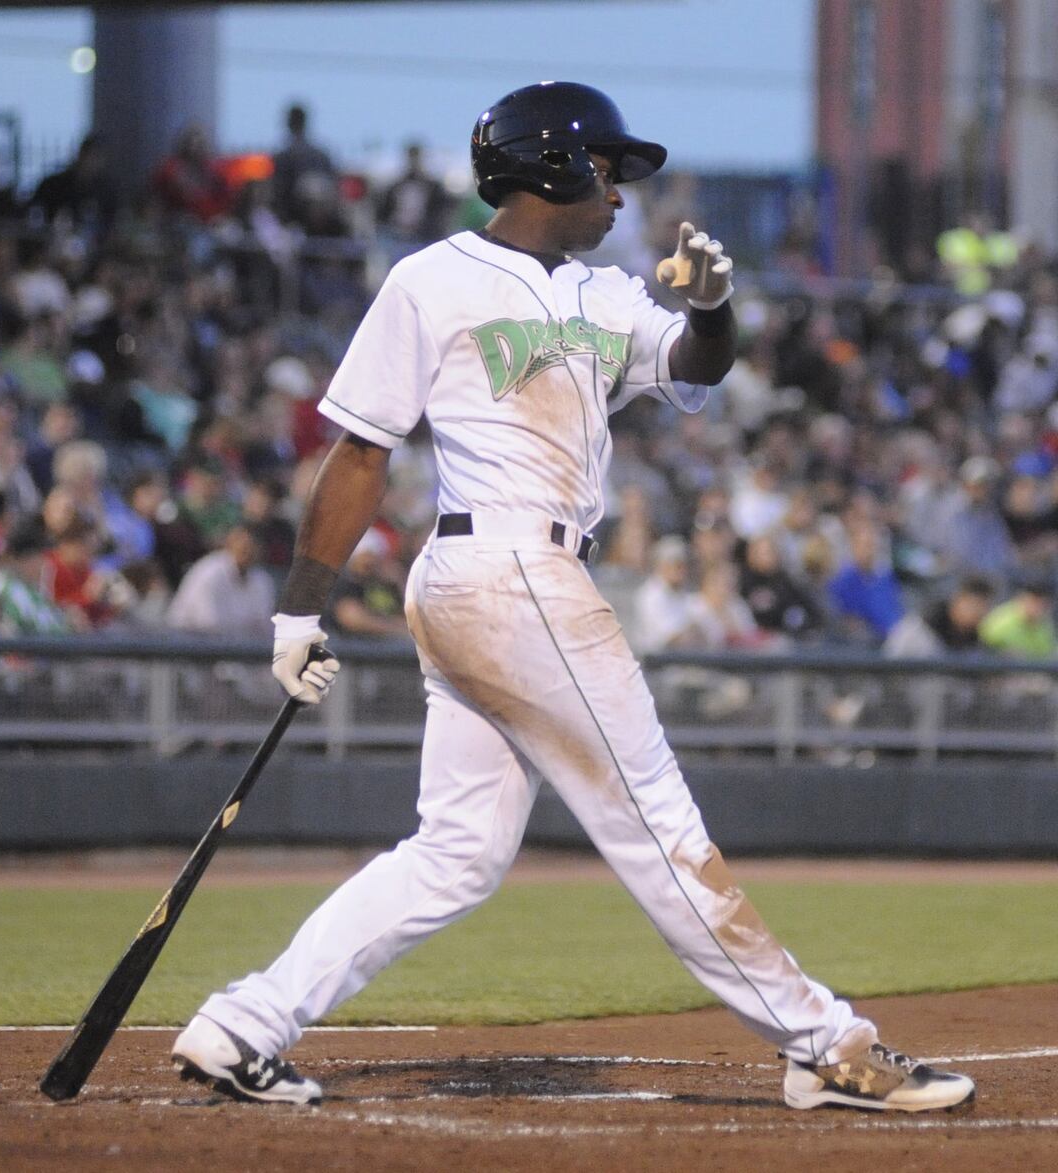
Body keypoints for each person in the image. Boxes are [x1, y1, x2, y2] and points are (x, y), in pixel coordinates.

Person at [169, 82, 973, 1114]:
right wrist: (297, 609)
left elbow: (696, 364)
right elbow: (360, 451)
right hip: (503, 571)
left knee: (455, 856)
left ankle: (243, 1023)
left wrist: (713, 305)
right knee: (656, 822)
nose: (619, 192)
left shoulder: (608, 295)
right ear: (550, 165)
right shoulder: (432, 278)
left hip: (506, 582)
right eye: (604, 169)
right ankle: (826, 1043)